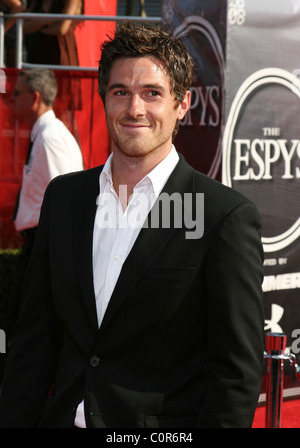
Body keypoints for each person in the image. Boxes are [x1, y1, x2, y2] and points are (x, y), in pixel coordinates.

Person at [0, 22, 264, 428]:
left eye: (152, 94)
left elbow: (236, 375)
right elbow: (34, 339)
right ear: (104, 98)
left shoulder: (222, 217)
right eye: (121, 91)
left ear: (182, 104)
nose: (134, 109)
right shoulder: (65, 199)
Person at [0, 68, 83, 378]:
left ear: (34, 98)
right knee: (19, 322)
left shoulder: (50, 138)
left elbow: (69, 201)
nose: (11, 100)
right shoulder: (47, 135)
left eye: (17, 94)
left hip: (45, 245)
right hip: (40, 244)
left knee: (21, 324)